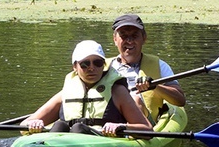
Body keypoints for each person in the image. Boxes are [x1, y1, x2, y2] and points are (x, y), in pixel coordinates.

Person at [22, 40, 153, 136]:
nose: (91, 68)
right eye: (85, 64)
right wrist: (34, 124)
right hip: (64, 145)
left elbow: (147, 130)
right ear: (75, 67)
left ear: (104, 65)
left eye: (97, 63)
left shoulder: (117, 91)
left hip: (103, 144)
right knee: (59, 126)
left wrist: (121, 126)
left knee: (79, 128)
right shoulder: (66, 93)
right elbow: (24, 125)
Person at [109, 14, 186, 124]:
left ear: (144, 38)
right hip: (110, 121)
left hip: (145, 124)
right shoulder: (101, 66)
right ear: (115, 39)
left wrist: (155, 86)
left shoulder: (160, 66)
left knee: (135, 100)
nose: (129, 41)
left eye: (134, 36)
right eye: (124, 36)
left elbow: (180, 100)